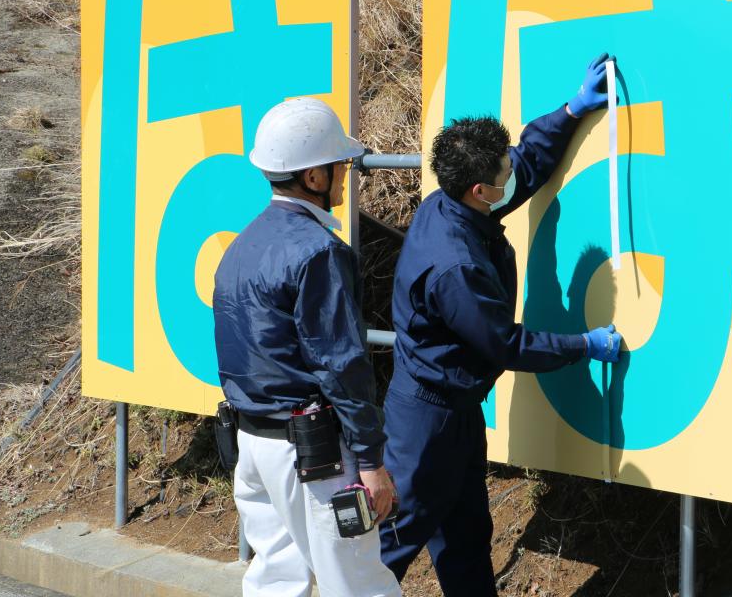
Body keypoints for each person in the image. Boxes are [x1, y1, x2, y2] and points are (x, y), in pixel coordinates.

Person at [379, 54, 624, 595]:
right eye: (502, 175)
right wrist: (583, 345)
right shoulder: (455, 266)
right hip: (425, 425)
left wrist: (571, 109)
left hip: (455, 413)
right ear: (479, 191)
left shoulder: (455, 200)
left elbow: (525, 161)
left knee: (467, 538)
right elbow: (505, 344)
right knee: (392, 545)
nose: (512, 173)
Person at [213, 97, 401, 597]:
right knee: (359, 584)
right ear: (314, 177)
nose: (345, 174)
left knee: (275, 580)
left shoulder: (241, 245)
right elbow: (341, 363)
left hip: (252, 445)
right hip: (314, 457)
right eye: (339, 165)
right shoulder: (321, 252)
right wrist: (370, 460)